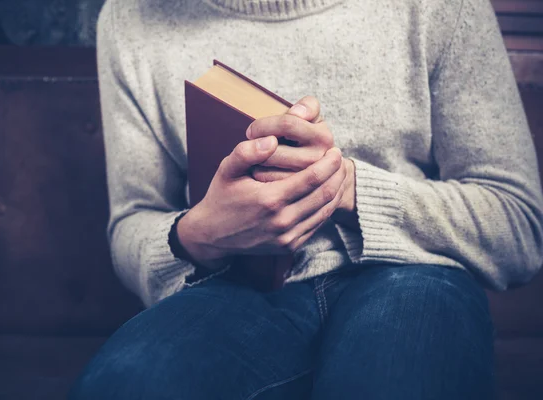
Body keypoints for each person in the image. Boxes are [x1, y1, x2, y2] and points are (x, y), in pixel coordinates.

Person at [69, 0, 543, 398]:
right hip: (232, 289)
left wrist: (341, 186)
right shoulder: (129, 17)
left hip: (414, 274)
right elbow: (132, 221)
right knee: (125, 383)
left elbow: (519, 224)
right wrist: (200, 234)